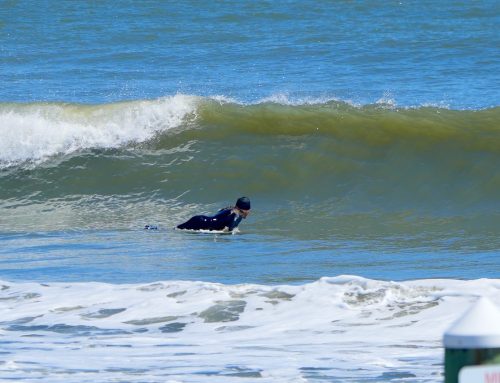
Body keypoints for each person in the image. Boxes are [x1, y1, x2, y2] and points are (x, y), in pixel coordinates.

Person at [176, 197, 251, 232]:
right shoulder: (233, 215)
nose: (248, 213)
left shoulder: (237, 213)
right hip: (200, 222)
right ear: (240, 209)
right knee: (177, 230)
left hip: (203, 221)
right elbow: (228, 231)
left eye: (248, 211)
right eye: (246, 211)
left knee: (177, 229)